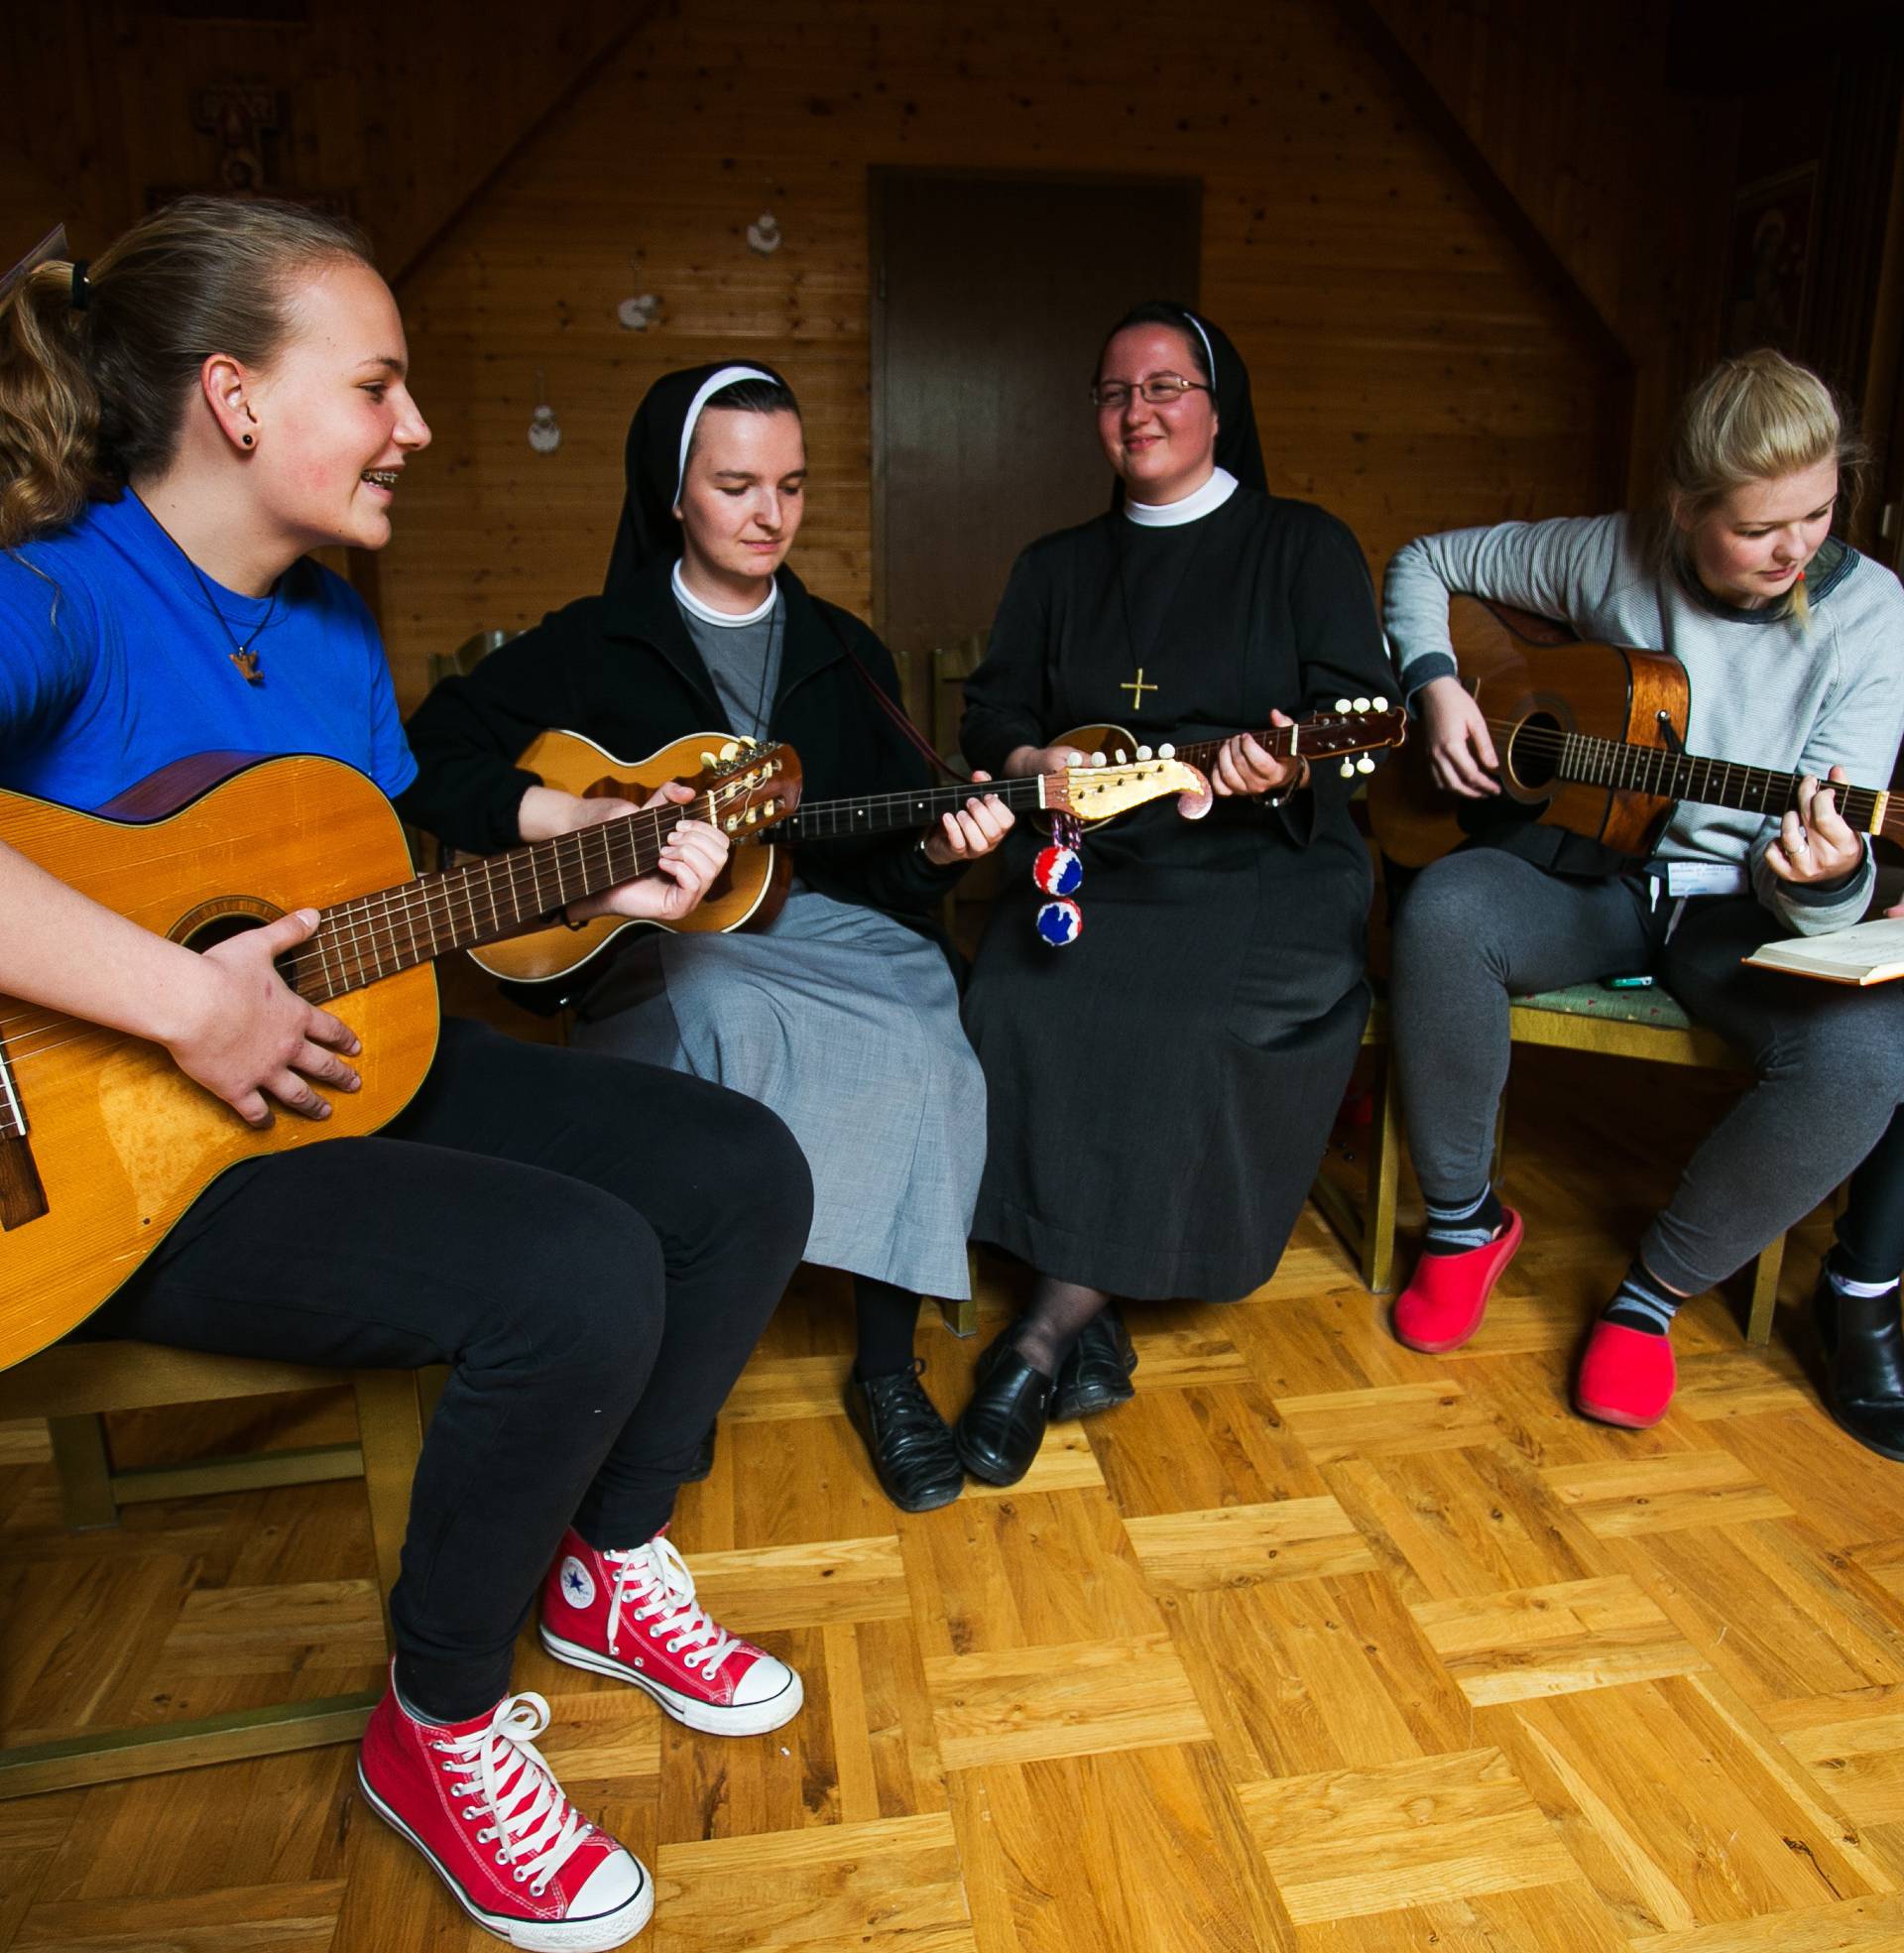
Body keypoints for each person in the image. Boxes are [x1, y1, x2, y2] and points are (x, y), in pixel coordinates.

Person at [0, 198, 815, 1951]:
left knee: (739, 1168)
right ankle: (434, 1723)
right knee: (576, 1271)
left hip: (335, 1063)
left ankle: (604, 1561)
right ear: (233, 397)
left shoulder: (331, 633)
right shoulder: (54, 591)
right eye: (377, 385)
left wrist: (585, 843)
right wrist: (172, 994)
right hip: (109, 1160)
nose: (415, 426)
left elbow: (382, 863)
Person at [400, 362, 1013, 1515]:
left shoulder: (847, 651)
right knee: (724, 1007)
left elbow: (882, 862)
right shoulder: (594, 642)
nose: (768, 514)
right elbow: (431, 756)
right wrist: (574, 820)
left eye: (789, 484)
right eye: (736, 484)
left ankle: (887, 1366)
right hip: (660, 935)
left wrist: (938, 851)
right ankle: (679, 1373)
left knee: (928, 1038)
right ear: (673, 493)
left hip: (824, 923)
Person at [1383, 347, 1904, 1429]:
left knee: (1868, 1050)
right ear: (1682, 509)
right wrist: (1437, 687)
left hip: (1742, 908)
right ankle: (1463, 1224)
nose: (1795, 548)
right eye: (1759, 528)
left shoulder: (1870, 614)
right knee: (1446, 910)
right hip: (1596, 872)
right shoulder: (1610, 552)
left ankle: (1649, 1298)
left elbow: (1829, 889)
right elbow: (1426, 562)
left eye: (1817, 512)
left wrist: (1832, 875)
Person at [954, 301, 1394, 1485]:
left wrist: (1278, 759)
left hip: (1262, 858)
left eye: (1163, 387)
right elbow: (989, 713)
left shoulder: (1302, 545)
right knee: (1014, 992)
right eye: (1113, 392)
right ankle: (1093, 1314)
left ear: (1216, 404)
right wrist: (1034, 761)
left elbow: (1359, 715)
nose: (1136, 410)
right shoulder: (1055, 567)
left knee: (1184, 1019)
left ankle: (1040, 1336)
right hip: (1102, 854)